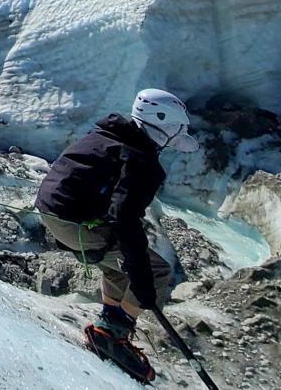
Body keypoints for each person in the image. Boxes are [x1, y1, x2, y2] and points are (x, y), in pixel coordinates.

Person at [35, 88, 198, 384]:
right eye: (176, 129)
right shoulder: (141, 161)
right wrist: (143, 279)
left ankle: (108, 325)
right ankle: (114, 333)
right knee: (156, 271)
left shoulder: (110, 134)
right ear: (162, 126)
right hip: (76, 223)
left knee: (119, 266)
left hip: (53, 211)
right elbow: (124, 219)